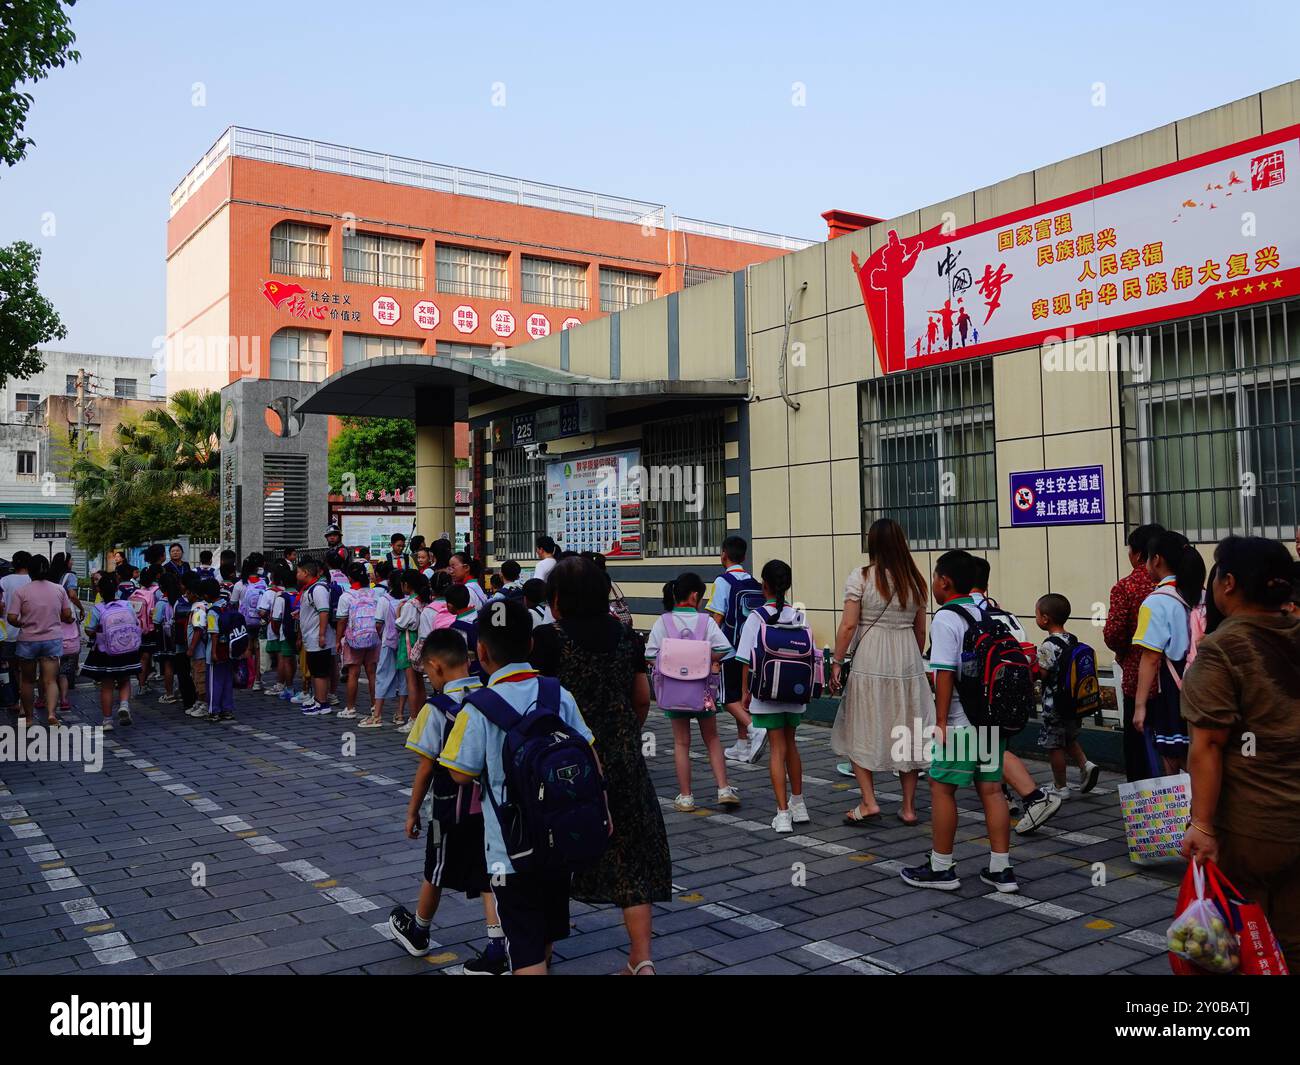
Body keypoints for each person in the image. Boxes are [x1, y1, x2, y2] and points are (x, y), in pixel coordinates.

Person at [437, 597, 595, 975]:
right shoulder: (558, 694)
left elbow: (459, 772)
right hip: (561, 838)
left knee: (522, 948)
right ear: (530, 645)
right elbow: (590, 755)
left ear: (481, 651)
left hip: (508, 850)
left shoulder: (478, 706)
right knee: (544, 931)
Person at [529, 557, 668, 974]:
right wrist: (623, 733)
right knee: (629, 855)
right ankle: (641, 959)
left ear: (557, 599)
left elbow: (534, 700)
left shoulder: (546, 640)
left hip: (561, 763)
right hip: (621, 759)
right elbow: (642, 698)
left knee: (551, 856)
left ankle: (544, 952)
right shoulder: (626, 637)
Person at [1181, 535, 1300, 964]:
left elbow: (1209, 745)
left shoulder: (1222, 648)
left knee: (1244, 941)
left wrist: (1204, 826)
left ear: (1228, 583)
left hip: (1253, 825)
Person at [387, 630, 507, 974]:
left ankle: (419, 930)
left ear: (436, 667)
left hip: (448, 806)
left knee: (436, 870)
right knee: (488, 873)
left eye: (426, 672)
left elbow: (425, 769)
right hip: (490, 804)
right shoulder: (491, 697)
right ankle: (497, 944)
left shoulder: (435, 709)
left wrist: (411, 812)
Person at [902, 550, 1017, 893]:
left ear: (945, 582)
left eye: (936, 578)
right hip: (993, 717)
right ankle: (1001, 869)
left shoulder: (947, 618)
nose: (934, 584)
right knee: (993, 789)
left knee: (942, 788)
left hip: (959, 721)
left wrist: (940, 721)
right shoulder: (993, 613)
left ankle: (941, 867)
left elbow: (944, 674)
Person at [830, 517, 933, 826]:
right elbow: (920, 632)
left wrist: (836, 661)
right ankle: (909, 808)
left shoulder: (861, 577)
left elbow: (849, 625)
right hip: (907, 659)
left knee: (861, 724)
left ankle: (869, 802)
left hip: (871, 659)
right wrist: (912, 659)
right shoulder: (915, 580)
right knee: (909, 727)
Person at [646, 573, 739, 814]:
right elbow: (725, 649)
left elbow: (649, 655)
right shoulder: (705, 622)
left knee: (681, 742)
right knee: (712, 738)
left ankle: (686, 796)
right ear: (695, 596)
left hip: (673, 692)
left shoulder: (663, 622)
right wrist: (705, 658)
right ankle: (723, 789)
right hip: (704, 690)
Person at [737, 560, 812, 834]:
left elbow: (745, 659)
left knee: (777, 748)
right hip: (795, 692)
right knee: (792, 745)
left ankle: (782, 814)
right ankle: (799, 803)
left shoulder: (756, 617)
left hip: (766, 691)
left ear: (764, 585)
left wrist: (745, 692)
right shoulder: (799, 615)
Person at [1133, 529, 1204, 775]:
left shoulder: (1156, 601)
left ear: (1157, 560)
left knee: (1173, 758)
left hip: (1175, 691)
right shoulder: (1203, 595)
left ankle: (1185, 812)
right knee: (1202, 751)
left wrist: (1139, 706)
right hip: (1206, 683)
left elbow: (1151, 657)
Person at [1104, 524, 1165, 781]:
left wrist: (1124, 653)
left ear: (1140, 554)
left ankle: (1145, 811)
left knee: (1138, 748)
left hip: (1137, 678)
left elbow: (1114, 633)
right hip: (1178, 681)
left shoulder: (1126, 587)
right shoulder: (1183, 583)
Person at [1033, 593, 1101, 798]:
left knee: (1054, 745)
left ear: (1045, 619)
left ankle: (1060, 787)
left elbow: (1043, 673)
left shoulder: (1047, 646)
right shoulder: (1071, 639)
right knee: (1069, 737)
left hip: (1055, 705)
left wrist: (1032, 666)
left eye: (1036, 614)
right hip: (1073, 703)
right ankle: (1085, 765)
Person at [705, 536, 767, 763]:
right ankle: (741, 745)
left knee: (727, 698)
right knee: (740, 696)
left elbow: (717, 617)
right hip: (752, 650)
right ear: (744, 556)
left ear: (723, 554)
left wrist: (709, 647)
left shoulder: (723, 581)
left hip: (730, 649)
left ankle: (754, 729)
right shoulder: (754, 582)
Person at [6, 554, 74, 728]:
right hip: (52, 639)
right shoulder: (59, 589)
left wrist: (21, 622)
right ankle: (51, 714)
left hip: (28, 640)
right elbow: (67, 615)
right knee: (50, 680)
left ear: (30, 571)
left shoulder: (21, 592)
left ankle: (28, 718)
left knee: (27, 681)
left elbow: (12, 617)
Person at [81, 571, 142, 730]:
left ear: (99, 591)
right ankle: (123, 705)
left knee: (107, 686)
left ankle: (107, 721)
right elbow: (135, 622)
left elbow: (88, 629)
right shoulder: (126, 604)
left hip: (105, 652)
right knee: (124, 680)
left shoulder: (97, 609)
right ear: (116, 589)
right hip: (126, 650)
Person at [363, 562, 406, 729]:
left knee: (382, 676)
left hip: (388, 642)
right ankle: (400, 713)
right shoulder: (408, 600)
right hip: (404, 643)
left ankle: (377, 715)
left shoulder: (384, 600)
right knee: (403, 678)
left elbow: (378, 623)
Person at [336, 561, 380, 720]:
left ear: (349, 577)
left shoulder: (346, 596)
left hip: (354, 640)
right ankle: (375, 707)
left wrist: (338, 640)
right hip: (373, 637)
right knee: (372, 673)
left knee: (353, 673)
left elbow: (341, 621)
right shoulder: (375, 593)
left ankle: (350, 708)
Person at [297, 559, 336, 717]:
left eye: (298, 572)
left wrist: (321, 635)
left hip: (317, 638)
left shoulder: (318, 589)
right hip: (311, 637)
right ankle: (318, 699)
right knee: (315, 670)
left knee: (320, 672)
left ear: (306, 573)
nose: (297, 575)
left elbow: (324, 612)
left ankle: (322, 703)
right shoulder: (310, 589)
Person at [0, 550, 33, 712]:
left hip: (9, 632)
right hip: (32, 632)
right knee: (28, 671)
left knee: (13, 669)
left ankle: (16, 700)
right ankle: (29, 701)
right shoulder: (34, 580)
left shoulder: (4, 581)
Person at [264, 564, 299, 704]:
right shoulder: (299, 594)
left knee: (286, 660)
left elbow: (276, 619)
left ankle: (289, 688)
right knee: (295, 660)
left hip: (285, 633)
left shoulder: (281, 597)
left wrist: (277, 632)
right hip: (300, 633)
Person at [152, 571, 180, 705]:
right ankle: (181, 691)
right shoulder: (180, 600)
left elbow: (156, 621)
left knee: (168, 665)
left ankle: (169, 694)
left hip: (165, 638)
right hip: (180, 637)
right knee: (182, 665)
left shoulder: (161, 603)